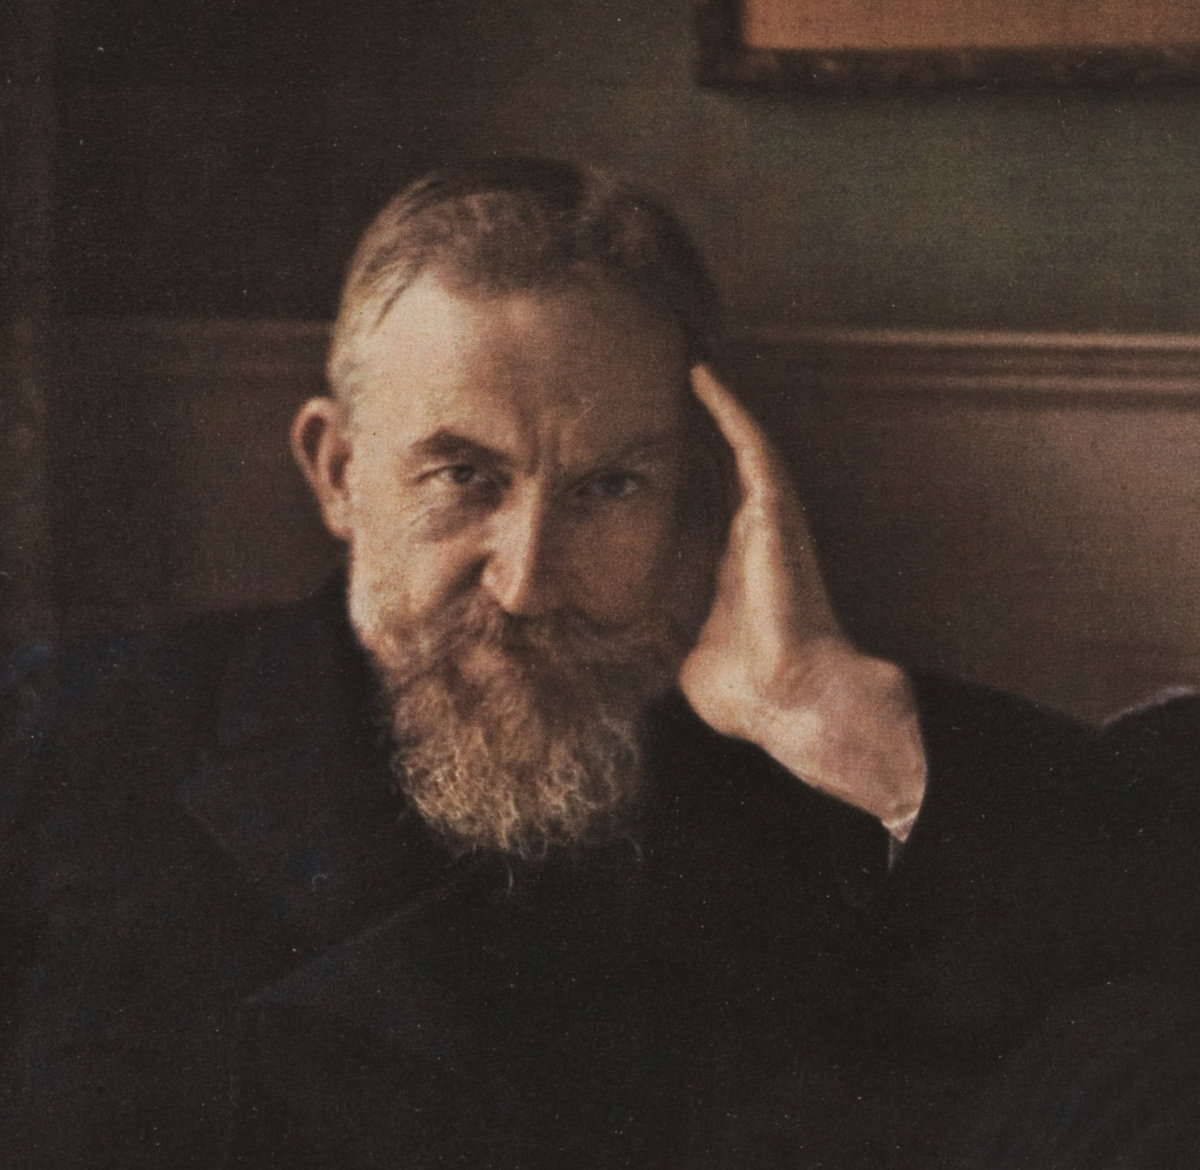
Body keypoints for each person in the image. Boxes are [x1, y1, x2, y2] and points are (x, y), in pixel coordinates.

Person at [0, 158, 1193, 1168]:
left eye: (610, 487)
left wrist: (832, 707)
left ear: (697, 499)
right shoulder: (67, 737)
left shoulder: (800, 807)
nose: (528, 579)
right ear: (337, 472)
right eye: (462, 477)